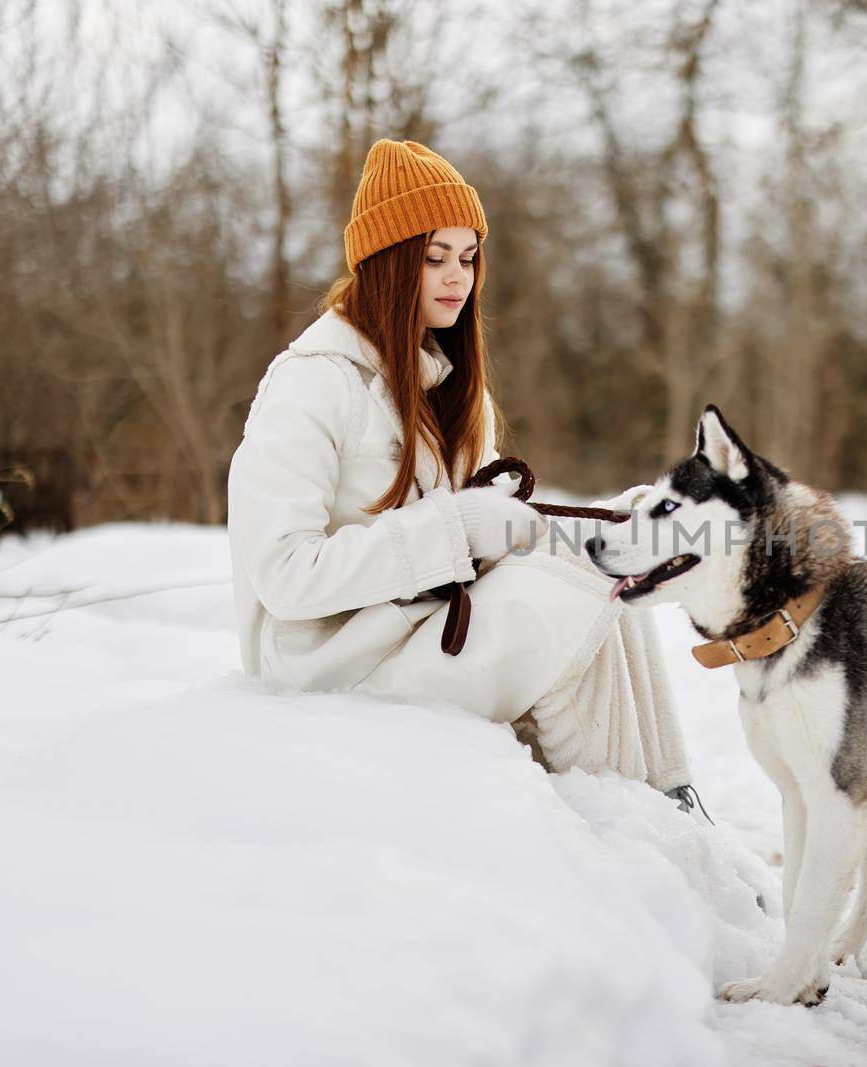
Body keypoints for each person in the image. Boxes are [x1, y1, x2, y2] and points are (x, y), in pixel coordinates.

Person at [226, 138, 707, 819]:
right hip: (333, 668)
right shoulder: (310, 384)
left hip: (424, 631)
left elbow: (464, 549)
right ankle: (635, 818)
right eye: (434, 257)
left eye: (469, 257)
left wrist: (525, 527)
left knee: (604, 563)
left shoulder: (452, 390)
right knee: (572, 589)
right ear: (387, 262)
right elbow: (283, 574)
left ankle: (665, 801)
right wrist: (453, 528)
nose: (458, 277)